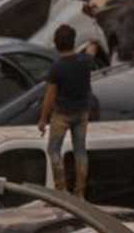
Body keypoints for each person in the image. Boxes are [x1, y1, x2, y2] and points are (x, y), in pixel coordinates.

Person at [37, 25, 101, 196]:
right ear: (73, 42)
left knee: (53, 150)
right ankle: (80, 192)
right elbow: (92, 51)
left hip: (62, 114)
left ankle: (61, 189)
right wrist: (92, 42)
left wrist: (43, 119)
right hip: (82, 113)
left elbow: (49, 97)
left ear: (57, 44)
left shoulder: (57, 67)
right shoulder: (85, 61)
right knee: (80, 150)